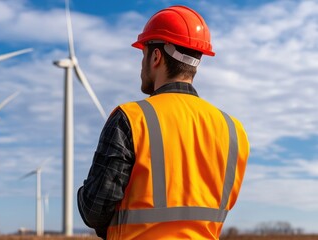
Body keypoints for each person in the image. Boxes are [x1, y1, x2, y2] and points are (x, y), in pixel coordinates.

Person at [77, 5, 249, 240]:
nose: (141, 65)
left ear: (156, 57)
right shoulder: (233, 130)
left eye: (143, 55)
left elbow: (94, 210)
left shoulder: (131, 118)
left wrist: (84, 193)